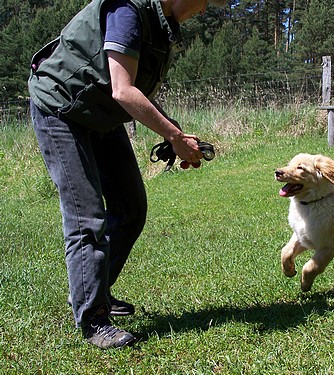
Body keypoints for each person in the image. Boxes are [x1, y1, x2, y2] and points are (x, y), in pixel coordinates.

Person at [28, 0, 227, 349]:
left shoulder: (160, 24)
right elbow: (123, 88)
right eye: (206, 1)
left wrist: (175, 132)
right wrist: (173, 137)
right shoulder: (129, 11)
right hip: (62, 107)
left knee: (130, 208)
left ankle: (98, 292)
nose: (205, 10)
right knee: (85, 217)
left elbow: (137, 90)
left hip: (100, 112)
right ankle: (94, 319)